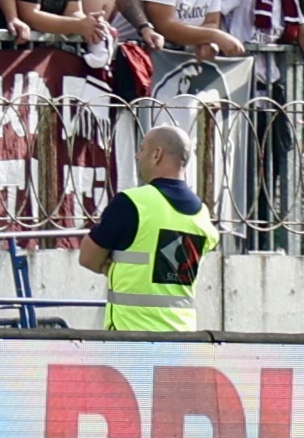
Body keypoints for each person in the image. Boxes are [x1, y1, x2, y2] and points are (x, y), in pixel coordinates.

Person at [80, 123, 217, 331]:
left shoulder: (133, 203)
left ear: (157, 154)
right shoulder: (202, 215)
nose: (137, 155)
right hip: (183, 338)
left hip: (132, 340)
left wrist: (116, 268)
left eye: (142, 148)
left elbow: (88, 258)